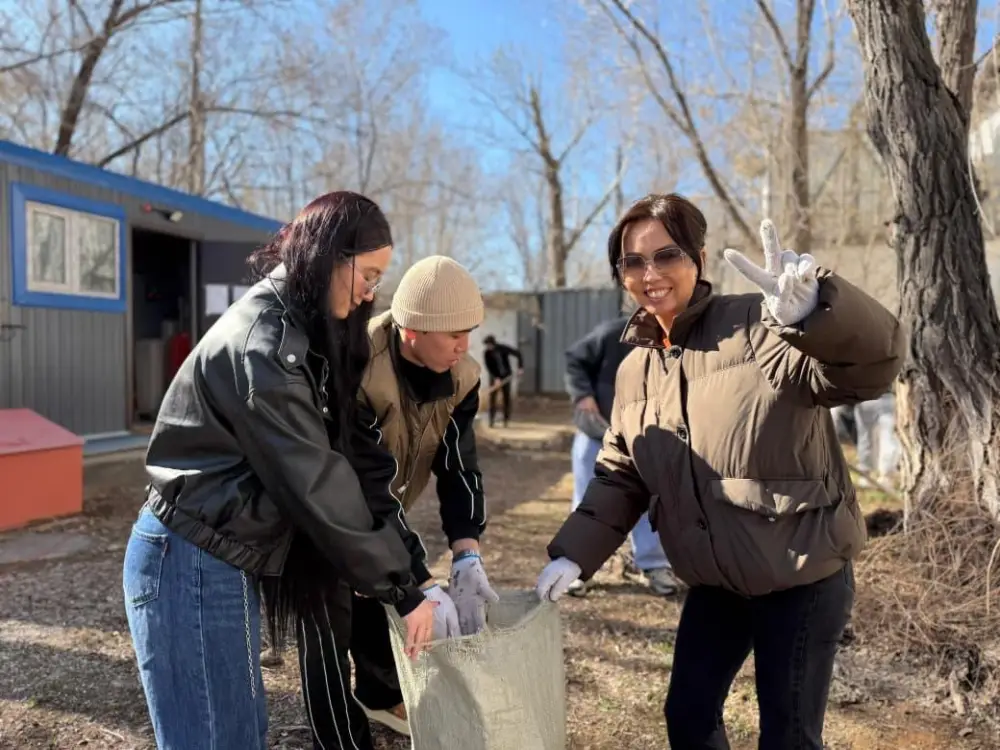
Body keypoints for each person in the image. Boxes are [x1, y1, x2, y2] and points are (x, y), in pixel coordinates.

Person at [535, 193, 905, 750]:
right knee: (687, 715)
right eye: (633, 262)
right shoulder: (635, 367)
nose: (650, 274)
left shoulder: (762, 325)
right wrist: (574, 552)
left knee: (788, 736)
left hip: (800, 569)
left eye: (667, 256)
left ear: (698, 258)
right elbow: (621, 473)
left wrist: (818, 314)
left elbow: (871, 368)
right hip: (717, 581)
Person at [122, 191, 437, 750]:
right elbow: (315, 481)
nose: (372, 291)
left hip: (214, 554)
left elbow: (353, 459)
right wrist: (402, 591)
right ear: (326, 257)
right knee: (221, 737)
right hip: (191, 558)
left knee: (238, 732)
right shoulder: (264, 348)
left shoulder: (303, 331)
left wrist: (410, 570)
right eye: (367, 274)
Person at [297, 255, 497, 746]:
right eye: (453, 333)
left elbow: (458, 465)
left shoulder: (462, 376)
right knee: (330, 612)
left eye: (469, 331)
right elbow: (366, 483)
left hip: (383, 499)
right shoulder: (356, 366)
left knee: (381, 588)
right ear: (412, 329)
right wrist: (420, 579)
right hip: (319, 508)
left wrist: (467, 551)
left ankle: (380, 693)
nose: (464, 345)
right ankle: (338, 731)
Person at [564, 315, 681, 597]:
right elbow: (574, 358)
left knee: (651, 501)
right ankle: (578, 567)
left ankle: (654, 565)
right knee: (587, 501)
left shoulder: (683, 341)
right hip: (598, 432)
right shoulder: (611, 332)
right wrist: (582, 395)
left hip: (648, 438)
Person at [852, 392, 899, 488]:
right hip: (883, 397)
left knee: (867, 438)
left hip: (867, 397)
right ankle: (883, 476)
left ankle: (870, 475)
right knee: (888, 439)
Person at [482, 334, 523, 427]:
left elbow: (518, 353)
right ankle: (491, 420)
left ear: (493, 344)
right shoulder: (486, 353)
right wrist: (496, 378)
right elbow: (489, 368)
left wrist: (520, 367)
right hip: (494, 377)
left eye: (489, 345)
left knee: (506, 398)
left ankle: (506, 420)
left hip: (506, 377)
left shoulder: (503, 348)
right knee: (493, 398)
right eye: (487, 345)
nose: (488, 347)